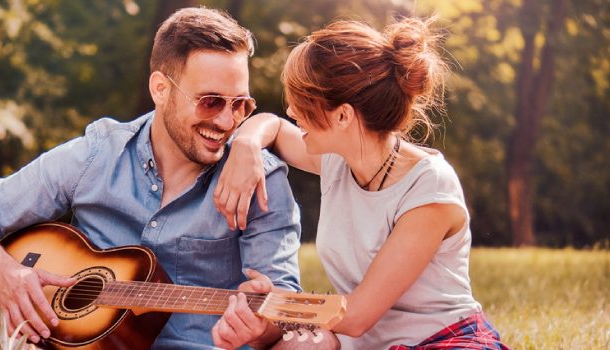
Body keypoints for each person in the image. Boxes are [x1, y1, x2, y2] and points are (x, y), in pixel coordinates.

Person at [0, 7, 302, 349]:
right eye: (210, 101)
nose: (225, 121)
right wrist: (7, 275)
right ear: (160, 89)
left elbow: (284, 308)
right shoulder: (99, 153)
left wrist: (261, 325)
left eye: (240, 105)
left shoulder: (261, 181)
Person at [211, 18, 509, 349]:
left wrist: (275, 304)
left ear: (343, 116)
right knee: (308, 344)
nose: (292, 111)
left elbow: (356, 316)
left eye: (303, 103)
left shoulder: (429, 188)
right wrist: (246, 144)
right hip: (367, 345)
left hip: (444, 341)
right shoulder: (337, 160)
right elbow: (274, 127)